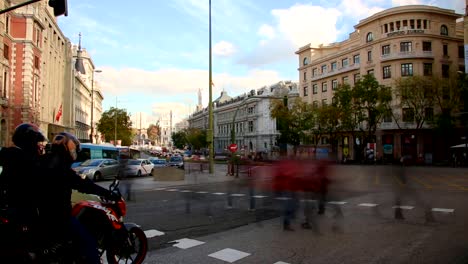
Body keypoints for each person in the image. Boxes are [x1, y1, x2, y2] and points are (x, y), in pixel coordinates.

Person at [38, 132, 119, 263]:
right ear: (67, 149)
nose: (74, 153)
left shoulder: (43, 161)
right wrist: (108, 194)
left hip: (41, 214)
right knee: (89, 243)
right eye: (73, 150)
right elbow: (84, 185)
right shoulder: (61, 168)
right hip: (59, 217)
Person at [0, 123, 47, 261]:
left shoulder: (8, 154)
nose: (40, 146)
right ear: (30, 141)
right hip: (23, 209)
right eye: (37, 142)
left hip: (9, 206)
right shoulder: (27, 159)